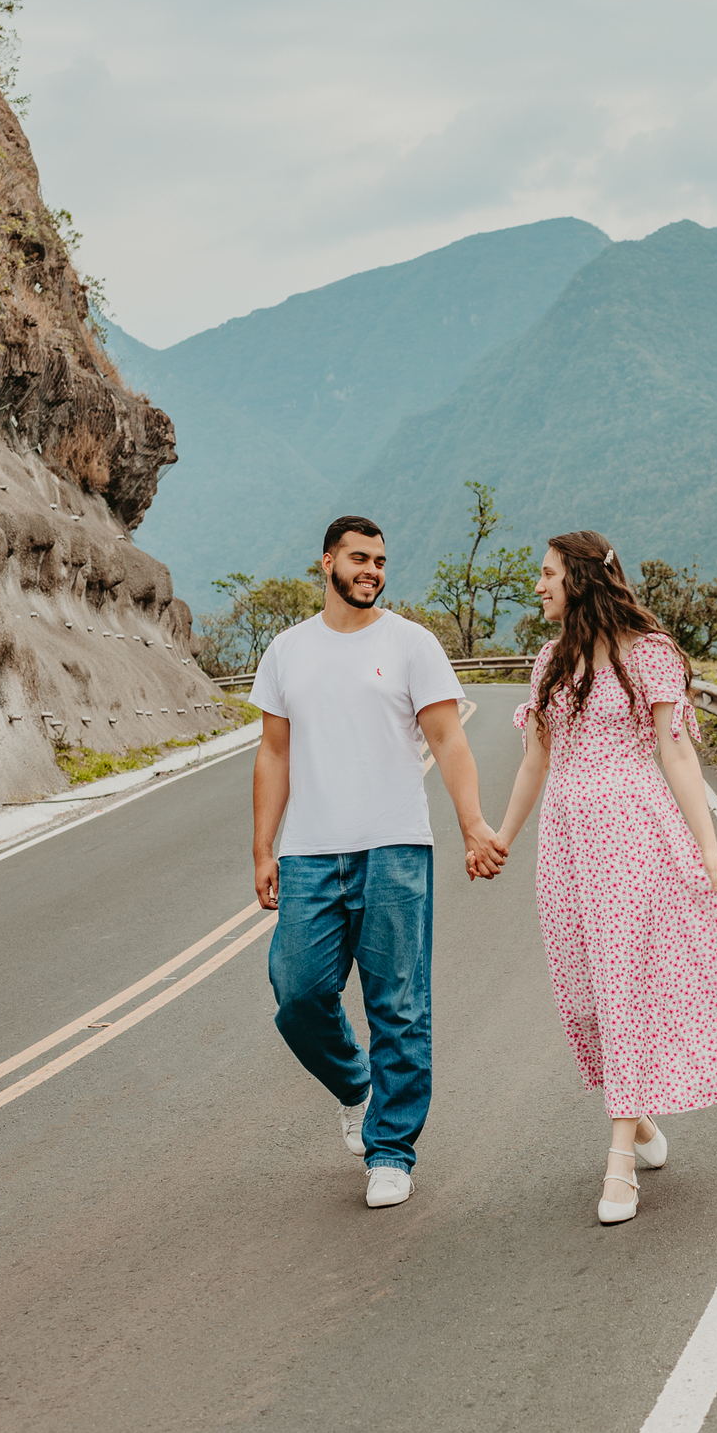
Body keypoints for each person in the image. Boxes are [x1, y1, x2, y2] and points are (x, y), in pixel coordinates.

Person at [471, 530, 717, 1225]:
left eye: (547, 575)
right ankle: (637, 1118)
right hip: (569, 846)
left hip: (636, 839)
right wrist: (502, 839)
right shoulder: (551, 661)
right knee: (582, 997)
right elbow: (534, 764)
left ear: (579, 578)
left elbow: (677, 756)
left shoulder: (651, 658)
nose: (538, 586)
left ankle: (618, 1165)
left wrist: (708, 843)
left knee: (624, 992)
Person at [251, 514, 508, 1209]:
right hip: (309, 853)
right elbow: (274, 753)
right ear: (327, 561)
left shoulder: (411, 645)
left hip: (395, 846)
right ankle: (357, 1087)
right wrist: (263, 847)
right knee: (298, 991)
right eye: (360, 559)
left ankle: (390, 1150)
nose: (373, 570)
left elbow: (450, 741)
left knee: (398, 1005)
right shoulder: (287, 651)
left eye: (382, 561)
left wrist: (473, 823)